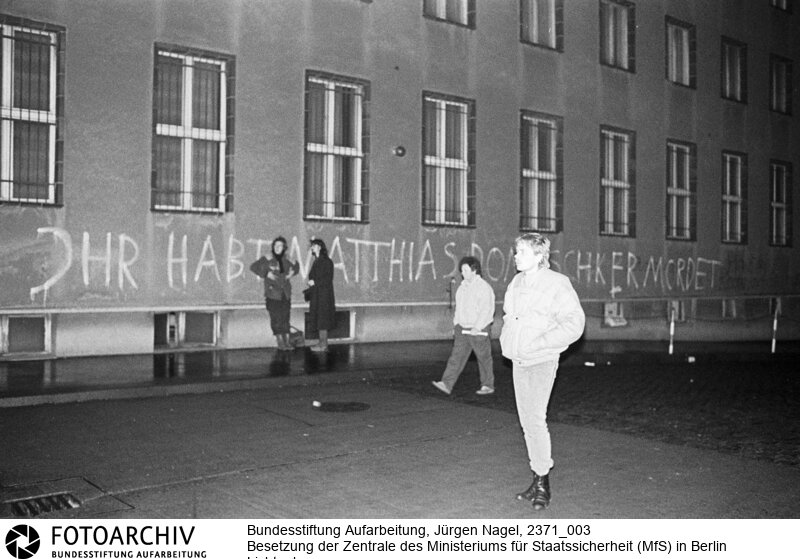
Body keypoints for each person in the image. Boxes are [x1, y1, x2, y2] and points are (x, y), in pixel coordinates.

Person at [499, 233, 585, 511]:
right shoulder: (516, 282)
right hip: (519, 361)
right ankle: (536, 477)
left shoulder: (557, 284)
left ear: (539, 256)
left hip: (541, 361)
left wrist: (541, 344)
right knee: (527, 423)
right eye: (516, 251)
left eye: (522, 251)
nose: (516, 256)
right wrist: (507, 341)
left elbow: (574, 323)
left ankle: (543, 482)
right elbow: (508, 316)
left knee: (535, 420)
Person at [432, 256, 496, 396]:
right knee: (456, 356)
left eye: (466, 270)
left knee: (483, 358)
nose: (463, 273)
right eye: (462, 270)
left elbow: (487, 310)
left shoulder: (484, 288)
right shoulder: (462, 288)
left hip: (478, 330)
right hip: (462, 328)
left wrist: (477, 327)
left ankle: (487, 385)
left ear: (474, 270)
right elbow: (458, 308)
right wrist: (457, 324)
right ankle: (446, 383)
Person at [250, 236, 300, 350]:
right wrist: (266, 274)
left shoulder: (287, 258)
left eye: (280, 246)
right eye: (275, 245)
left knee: (285, 318)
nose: (277, 248)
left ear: (284, 248)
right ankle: (280, 342)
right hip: (273, 294)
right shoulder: (268, 258)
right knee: (276, 319)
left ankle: (287, 342)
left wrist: (291, 274)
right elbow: (253, 267)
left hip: (285, 294)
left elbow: (297, 267)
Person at [306, 238, 336, 352]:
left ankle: (323, 345)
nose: (311, 248)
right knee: (319, 319)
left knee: (322, 319)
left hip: (324, 296)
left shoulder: (326, 261)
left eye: (313, 246)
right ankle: (322, 342)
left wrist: (315, 282)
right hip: (318, 295)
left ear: (319, 247)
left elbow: (328, 279)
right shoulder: (317, 260)